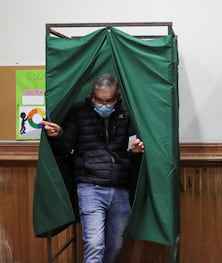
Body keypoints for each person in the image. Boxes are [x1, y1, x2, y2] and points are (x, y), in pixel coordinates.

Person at [41, 74, 144, 263]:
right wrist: (58, 134)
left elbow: (132, 146)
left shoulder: (127, 112)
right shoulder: (79, 111)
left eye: (109, 101)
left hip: (120, 187)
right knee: (94, 244)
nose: (103, 105)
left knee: (116, 244)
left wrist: (136, 150)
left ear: (117, 98)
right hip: (90, 187)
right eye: (98, 100)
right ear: (92, 96)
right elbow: (65, 148)